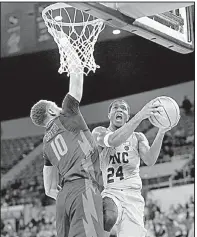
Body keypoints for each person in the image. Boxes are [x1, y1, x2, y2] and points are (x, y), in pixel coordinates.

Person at [30, 43, 106, 237]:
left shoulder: (46, 146)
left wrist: (68, 195)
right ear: (50, 110)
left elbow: (48, 189)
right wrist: (68, 47)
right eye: (54, 105)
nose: (58, 106)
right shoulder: (66, 115)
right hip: (84, 188)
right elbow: (77, 75)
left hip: (64, 198)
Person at [92, 99, 178, 237]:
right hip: (112, 192)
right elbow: (114, 141)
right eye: (115, 108)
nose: (119, 110)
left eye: (124, 108)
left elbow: (149, 160)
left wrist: (161, 132)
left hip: (133, 197)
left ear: (127, 116)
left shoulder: (138, 137)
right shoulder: (99, 132)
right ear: (109, 114)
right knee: (108, 216)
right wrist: (141, 114)